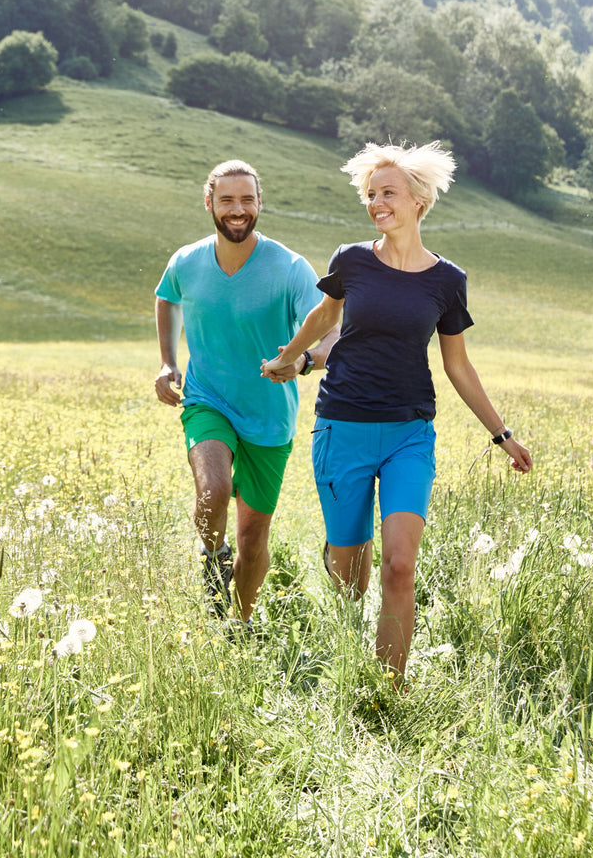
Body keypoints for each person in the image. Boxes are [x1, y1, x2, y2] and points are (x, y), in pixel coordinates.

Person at [261, 141, 532, 679]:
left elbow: (458, 365)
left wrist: (502, 434)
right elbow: (324, 315)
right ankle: (341, 661)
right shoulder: (352, 260)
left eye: (388, 192)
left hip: (410, 433)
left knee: (400, 567)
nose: (376, 202)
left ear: (419, 201)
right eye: (370, 194)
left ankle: (388, 690)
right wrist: (290, 358)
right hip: (343, 426)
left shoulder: (446, 281)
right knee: (350, 577)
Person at [154, 159, 339, 625]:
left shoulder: (290, 267)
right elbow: (167, 297)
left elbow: (331, 328)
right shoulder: (186, 262)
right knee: (212, 491)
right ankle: (212, 555)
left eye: (247, 200)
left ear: (259, 204)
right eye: (227, 200)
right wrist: (167, 361)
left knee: (254, 536)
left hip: (269, 416)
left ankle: (240, 625)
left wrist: (303, 361)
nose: (238, 210)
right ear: (209, 204)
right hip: (207, 399)